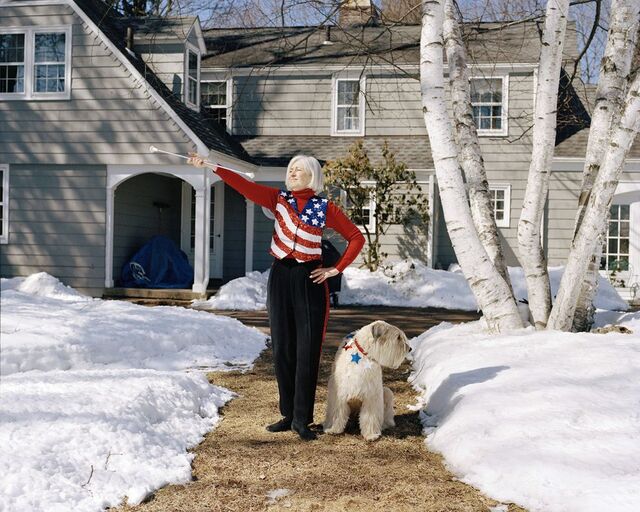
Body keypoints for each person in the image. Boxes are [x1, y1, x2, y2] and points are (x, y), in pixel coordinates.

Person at [187, 153, 365, 441]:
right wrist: (211, 166)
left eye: (299, 170)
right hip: (280, 276)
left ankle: (302, 419)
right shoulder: (279, 199)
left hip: (310, 279)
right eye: (291, 169)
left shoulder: (324, 207)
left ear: (312, 175)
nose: (292, 173)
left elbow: (356, 237)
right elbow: (243, 185)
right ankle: (287, 413)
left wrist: (335, 269)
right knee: (282, 346)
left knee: (307, 350)